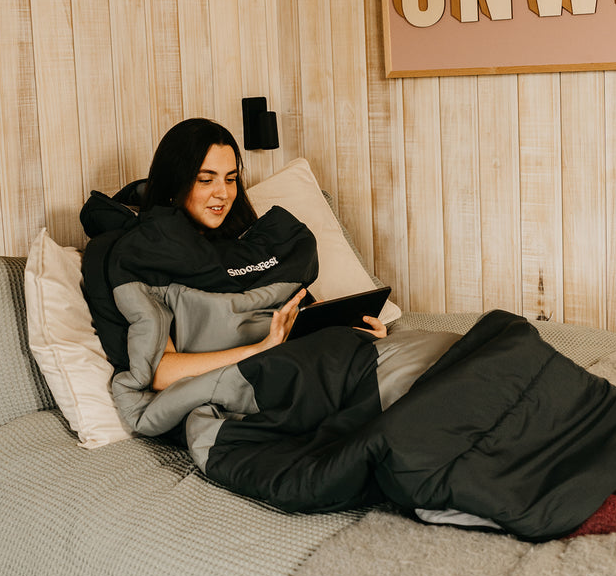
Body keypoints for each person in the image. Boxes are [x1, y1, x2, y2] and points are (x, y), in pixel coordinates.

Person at [80, 118, 386, 387]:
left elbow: (296, 314)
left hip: (299, 364)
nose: (223, 193)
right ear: (175, 182)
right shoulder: (140, 253)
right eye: (205, 179)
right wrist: (260, 349)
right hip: (255, 379)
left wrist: (348, 332)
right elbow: (160, 372)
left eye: (230, 179)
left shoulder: (247, 244)